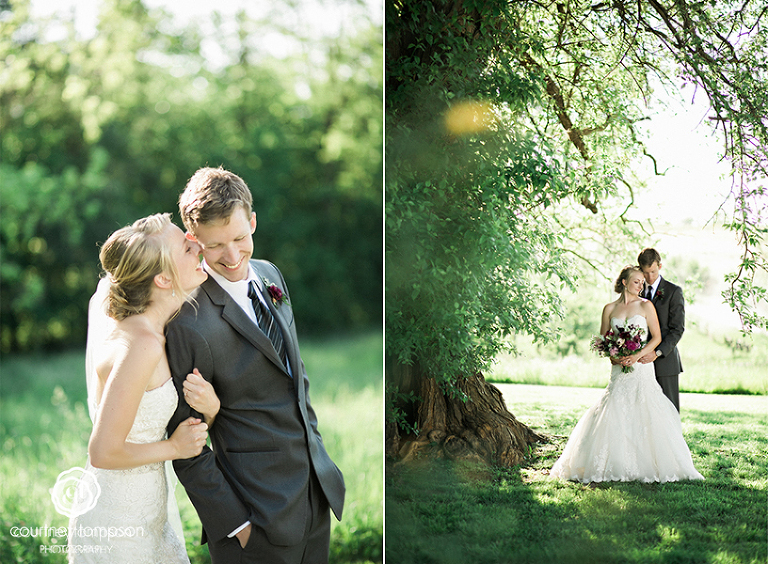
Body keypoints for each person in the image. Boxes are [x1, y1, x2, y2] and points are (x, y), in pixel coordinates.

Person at [165, 167, 345, 564]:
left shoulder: (269, 274)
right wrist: (237, 526)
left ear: (253, 221)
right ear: (193, 241)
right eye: (215, 246)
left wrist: (320, 464)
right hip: (256, 518)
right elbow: (186, 445)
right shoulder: (187, 323)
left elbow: (295, 379)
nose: (232, 256)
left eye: (240, 238)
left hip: (315, 495)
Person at [68, 213, 221, 563]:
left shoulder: (159, 332)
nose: (197, 244)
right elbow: (102, 452)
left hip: (149, 513)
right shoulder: (141, 345)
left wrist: (210, 409)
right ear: (164, 279)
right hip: (118, 522)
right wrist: (172, 447)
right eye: (186, 246)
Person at [550, 265, 703, 483]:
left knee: (646, 406)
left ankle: (651, 463)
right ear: (624, 282)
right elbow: (604, 338)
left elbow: (657, 338)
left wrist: (637, 355)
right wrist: (612, 355)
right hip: (618, 368)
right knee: (615, 407)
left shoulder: (646, 305)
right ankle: (610, 462)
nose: (641, 286)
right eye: (636, 281)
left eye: (642, 282)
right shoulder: (609, 308)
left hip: (640, 365)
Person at [636, 248, 685, 411]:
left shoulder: (673, 292)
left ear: (660, 266)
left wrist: (656, 353)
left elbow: (677, 329)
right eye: (645, 272)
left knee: (668, 410)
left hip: (666, 361)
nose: (649, 277)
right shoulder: (635, 292)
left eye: (653, 271)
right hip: (640, 362)